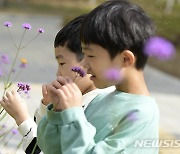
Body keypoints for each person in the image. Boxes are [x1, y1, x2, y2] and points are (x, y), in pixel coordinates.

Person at [37, 0, 159, 154]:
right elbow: (54, 149)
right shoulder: (99, 101)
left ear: (125, 59)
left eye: (91, 55)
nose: (85, 65)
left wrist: (74, 115)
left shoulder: (141, 115)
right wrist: (59, 112)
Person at [0, 14, 113, 153]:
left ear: (88, 60)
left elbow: (43, 150)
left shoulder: (92, 110)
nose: (58, 73)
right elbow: (47, 140)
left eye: (62, 63)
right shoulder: (92, 100)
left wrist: (21, 118)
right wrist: (47, 108)